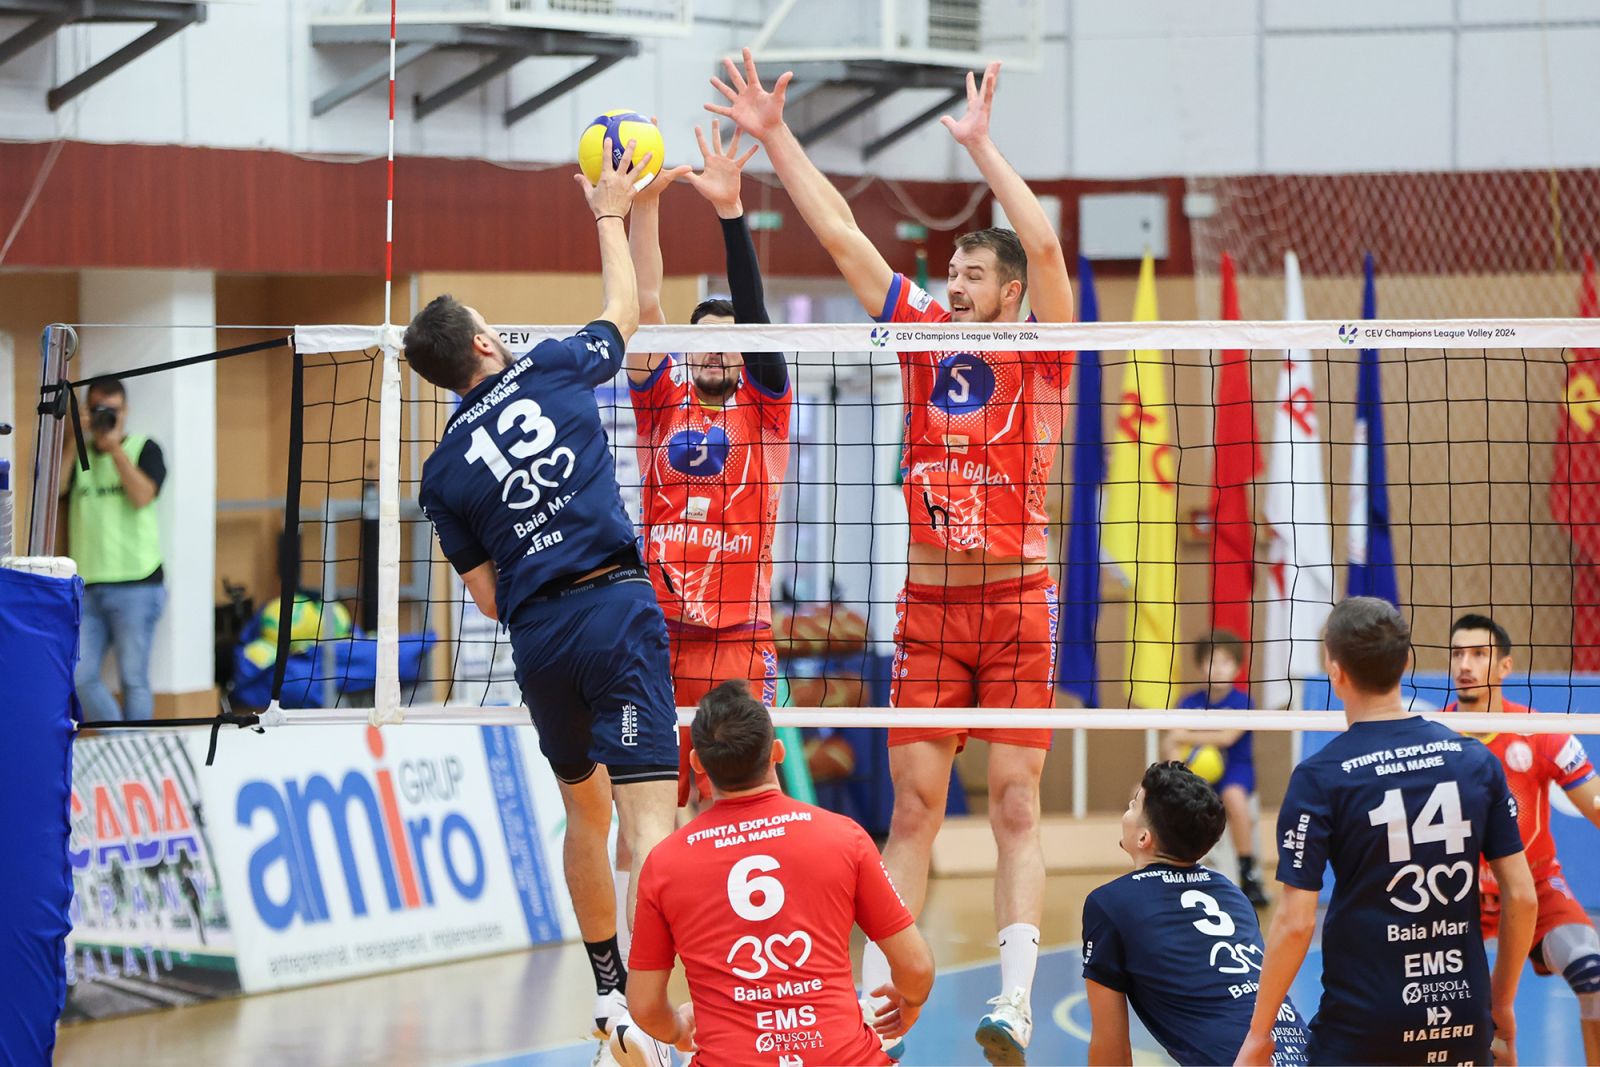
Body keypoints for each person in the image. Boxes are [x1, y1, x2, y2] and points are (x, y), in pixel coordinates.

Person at [709, 49, 1074, 1064]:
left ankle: (1012, 1001)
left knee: (1013, 803)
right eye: (949, 271)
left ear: (1008, 293)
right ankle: (879, 1008)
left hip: (1019, 602)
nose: (952, 282)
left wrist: (983, 149)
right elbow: (840, 233)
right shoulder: (916, 329)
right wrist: (776, 135)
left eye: (972, 273)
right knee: (912, 808)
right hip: (929, 605)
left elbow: (1045, 242)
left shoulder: (1045, 346)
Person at [406, 140, 674, 1067]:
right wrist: (610, 212)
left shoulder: (440, 473)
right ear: (485, 343)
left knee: (585, 816)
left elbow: (485, 598)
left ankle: (609, 1000)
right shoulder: (552, 366)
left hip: (539, 639)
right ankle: (657, 1010)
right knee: (651, 821)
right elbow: (626, 310)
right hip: (613, 609)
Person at [1237, 597, 1537, 1067]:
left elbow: (1296, 924)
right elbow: (1522, 897)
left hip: (1364, 1025)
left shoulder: (1320, 777)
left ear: (1335, 672)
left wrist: (1259, 1034)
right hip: (1461, 1019)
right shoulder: (1476, 761)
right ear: (1406, 663)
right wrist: (1500, 1004)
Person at [625, 680, 935, 1066]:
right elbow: (916, 968)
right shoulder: (845, 837)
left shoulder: (664, 863)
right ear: (778, 752)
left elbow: (644, 1006)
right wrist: (911, 1000)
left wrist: (678, 1030)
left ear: (697, 763)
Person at [625, 118, 792, 808]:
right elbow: (643, 306)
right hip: (657, 631)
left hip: (738, 638)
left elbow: (754, 315)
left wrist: (731, 212)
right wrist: (645, 205)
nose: (716, 351)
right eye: (702, 341)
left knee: (734, 798)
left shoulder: (765, 407)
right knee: (650, 802)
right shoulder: (660, 399)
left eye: (730, 341)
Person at [1446, 613, 1600, 1065]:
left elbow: (1596, 804)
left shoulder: (1540, 730)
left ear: (1505, 666)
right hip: (1454, 896)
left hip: (1533, 887)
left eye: (1479, 654)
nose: (1465, 665)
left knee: (1593, 973)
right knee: (1458, 1018)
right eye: (1457, 654)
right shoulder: (1432, 734)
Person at [1083, 761, 1309, 1066]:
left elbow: (1112, 1050)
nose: (1127, 812)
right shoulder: (1233, 894)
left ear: (1143, 838)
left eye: (1133, 806)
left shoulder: (1110, 904)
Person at [66, 377, 168, 723]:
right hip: (87, 585)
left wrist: (114, 450)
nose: (106, 418)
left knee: (133, 679)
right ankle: (124, 747)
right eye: (98, 410)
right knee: (79, 676)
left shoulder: (144, 448)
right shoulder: (79, 454)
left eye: (112, 411)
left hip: (138, 582)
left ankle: (134, 752)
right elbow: (53, 489)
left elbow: (143, 496)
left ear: (125, 412)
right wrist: (75, 437)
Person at [1162, 629, 1268, 906]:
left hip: (1235, 769)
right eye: (1211, 661)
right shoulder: (1189, 702)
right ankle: (1174, 870)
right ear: (1200, 665)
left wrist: (1189, 734)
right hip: (1196, 773)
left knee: (1233, 797)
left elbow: (1227, 737)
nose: (1218, 668)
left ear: (1236, 667)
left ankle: (1248, 873)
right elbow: (1170, 741)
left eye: (1225, 662)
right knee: (1173, 797)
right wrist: (1180, 754)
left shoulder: (1243, 701)